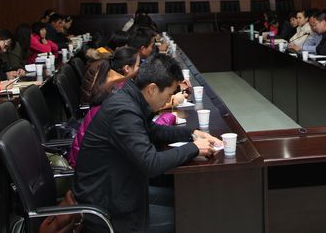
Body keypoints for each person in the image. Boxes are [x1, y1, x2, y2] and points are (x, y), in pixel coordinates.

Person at [73, 54, 221, 232]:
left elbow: (152, 130)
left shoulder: (130, 97)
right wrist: (194, 148)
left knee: (182, 200)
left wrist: (192, 134)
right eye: (168, 94)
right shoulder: (123, 111)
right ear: (152, 89)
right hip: (108, 208)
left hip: (121, 188)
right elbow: (151, 163)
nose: (169, 100)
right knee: (189, 219)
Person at [71, 46, 141, 167]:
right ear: (127, 68)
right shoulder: (117, 91)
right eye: (138, 65)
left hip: (89, 158)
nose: (140, 69)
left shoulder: (112, 82)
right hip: (89, 166)